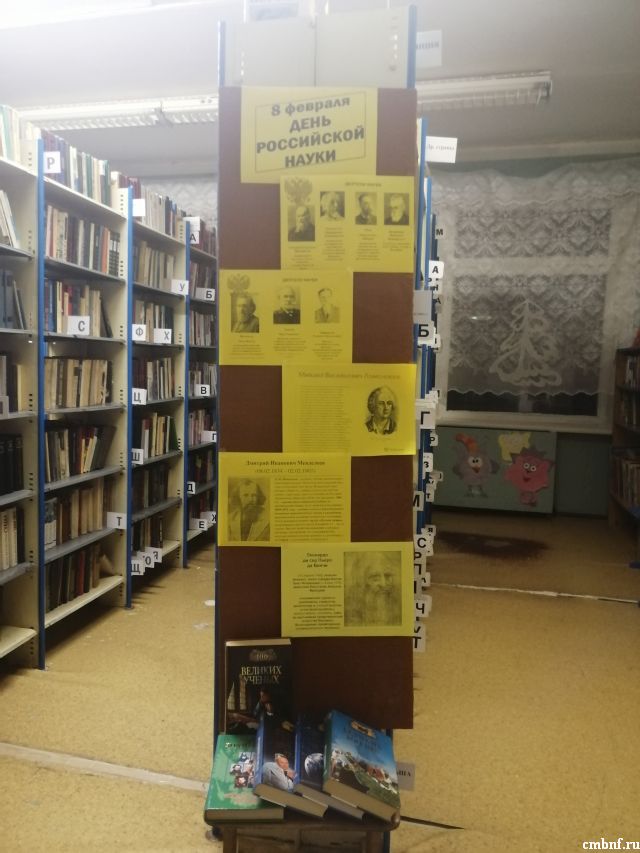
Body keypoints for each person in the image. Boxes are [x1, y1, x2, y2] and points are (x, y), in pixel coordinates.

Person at [344, 551, 402, 627]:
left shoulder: (398, 603)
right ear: (362, 582)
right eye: (375, 578)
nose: (383, 584)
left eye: (387, 576)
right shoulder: (351, 610)